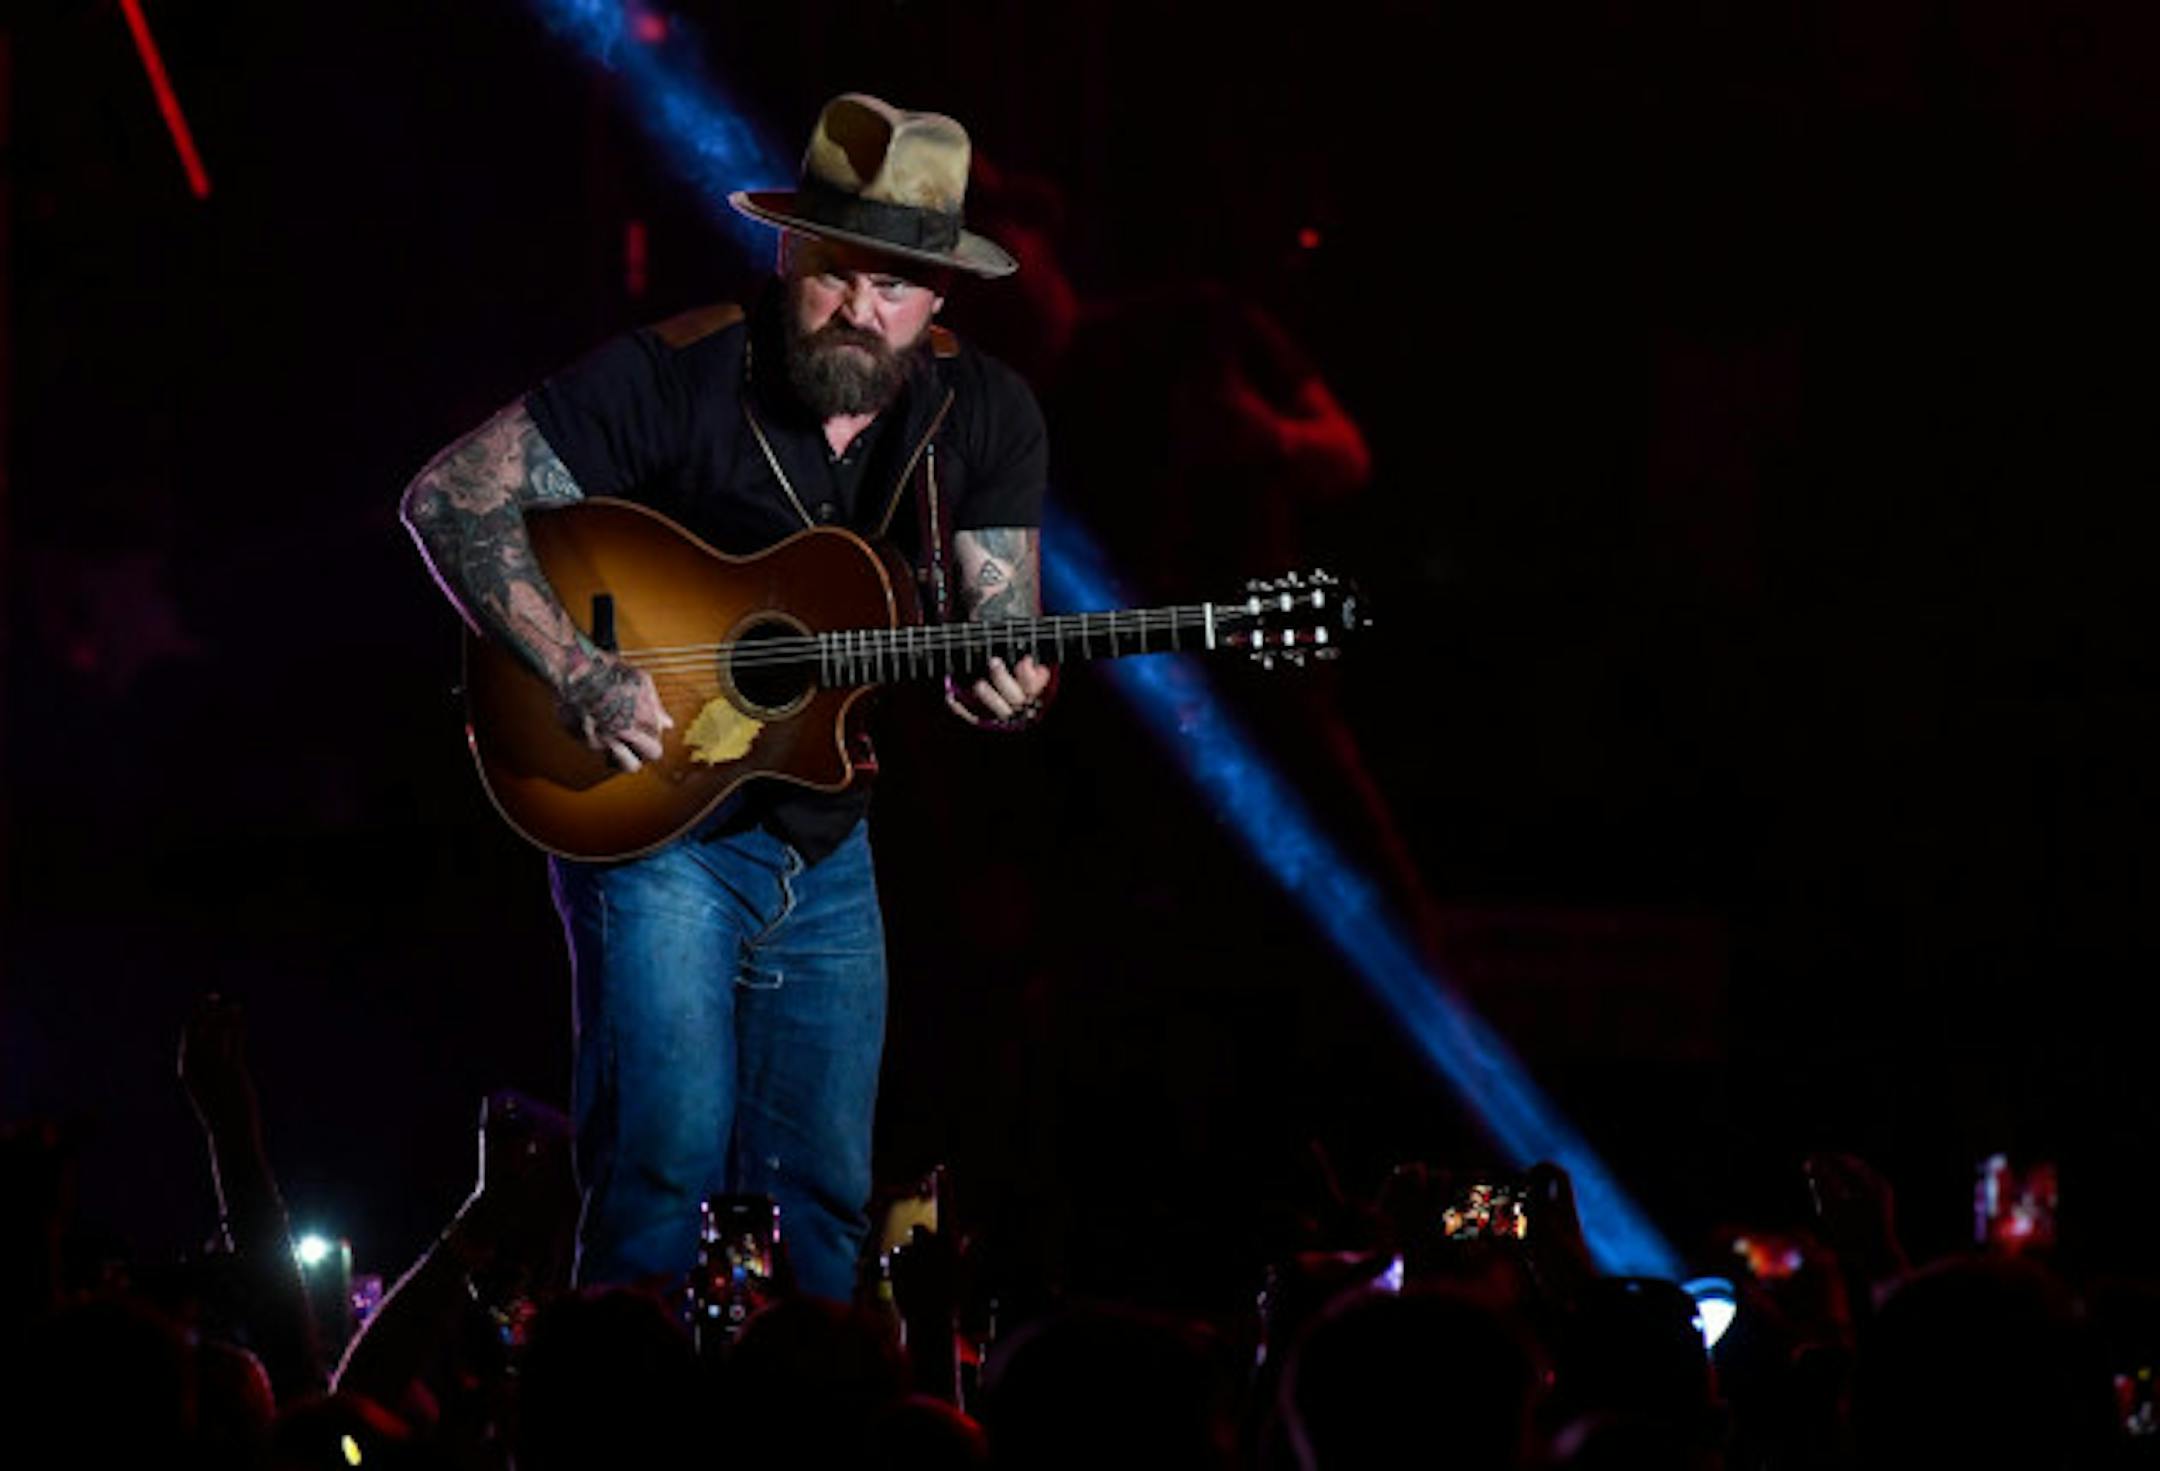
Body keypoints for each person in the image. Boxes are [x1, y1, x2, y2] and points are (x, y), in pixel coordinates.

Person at [400, 93, 1053, 1301]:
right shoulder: (681, 374)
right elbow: (449, 498)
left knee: (825, 1194)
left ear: (943, 296)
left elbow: (998, 620)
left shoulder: (988, 417)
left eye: (897, 285)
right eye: (837, 273)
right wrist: (580, 669)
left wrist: (1008, 683)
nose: (862, 308)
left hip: (826, 832)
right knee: (660, 1168)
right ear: (788, 251)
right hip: (652, 820)